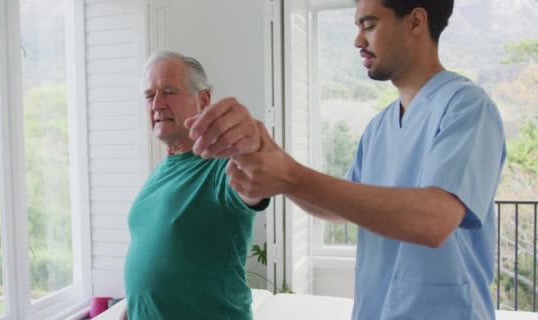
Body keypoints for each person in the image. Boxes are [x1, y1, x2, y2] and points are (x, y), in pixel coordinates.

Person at [185, 0, 506, 319]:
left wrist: (290, 175)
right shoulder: (380, 126)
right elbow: (337, 207)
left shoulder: (467, 108)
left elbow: (434, 220)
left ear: (416, 22)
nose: (357, 41)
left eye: (369, 25)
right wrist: (273, 171)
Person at [121, 51, 269, 320]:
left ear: (204, 100)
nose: (157, 104)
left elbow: (252, 185)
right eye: (149, 95)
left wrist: (251, 151)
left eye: (168, 91)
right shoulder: (162, 169)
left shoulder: (222, 166)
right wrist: (133, 307)